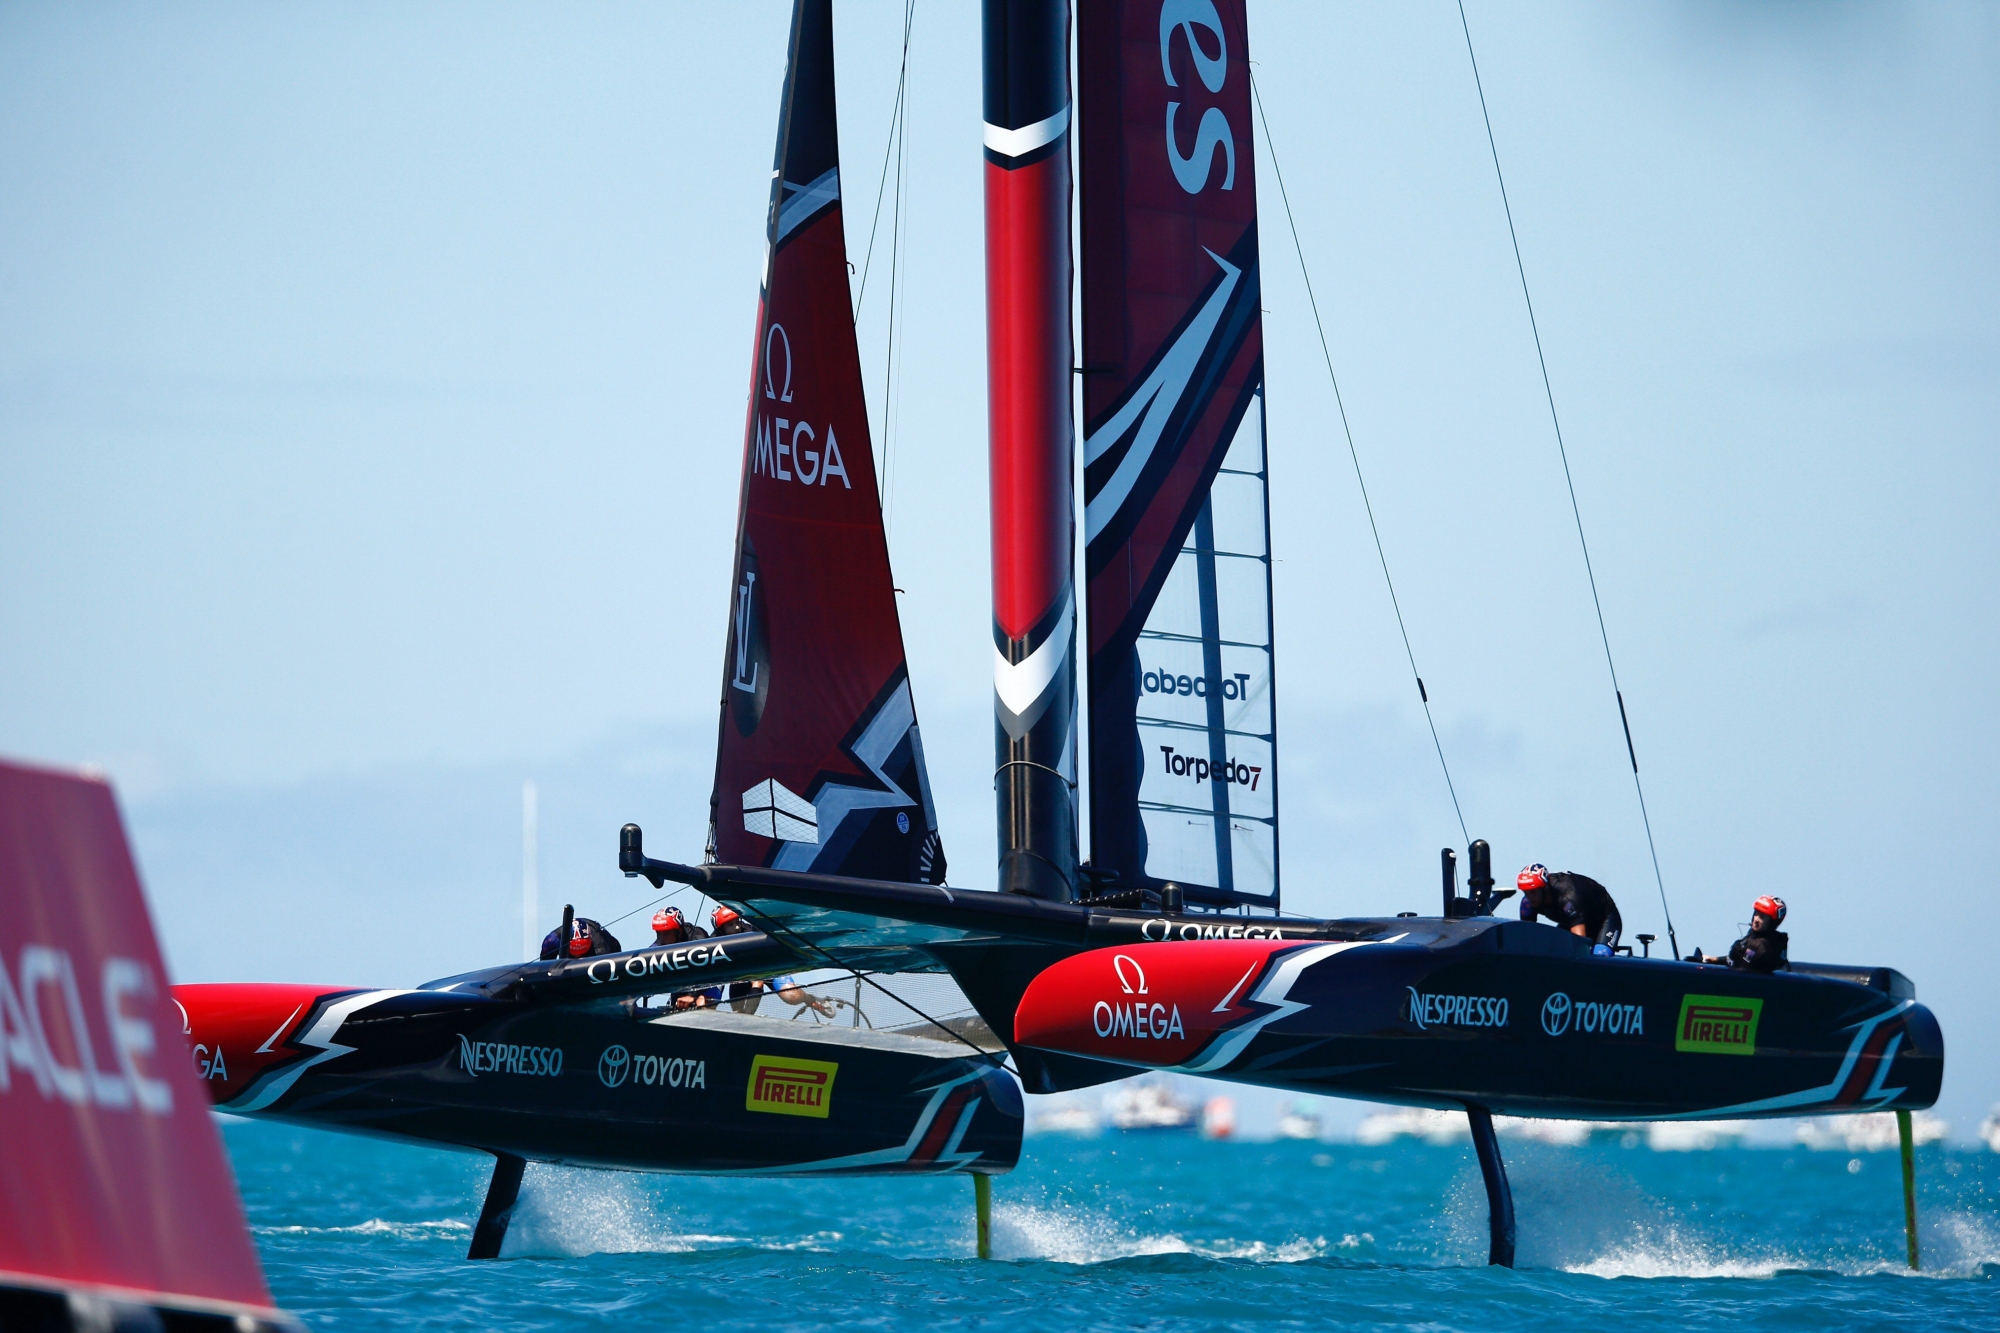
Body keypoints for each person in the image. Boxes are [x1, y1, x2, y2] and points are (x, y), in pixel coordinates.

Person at [1517, 864, 1623, 956]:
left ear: (1545, 888)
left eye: (1533, 892)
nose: (1530, 898)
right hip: (1572, 919)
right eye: (1526, 892)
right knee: (1555, 952)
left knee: (1600, 956)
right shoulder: (1527, 904)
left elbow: (1579, 943)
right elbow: (1527, 940)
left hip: (1604, 918)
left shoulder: (1568, 897)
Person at [1699, 895, 1789, 973]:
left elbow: (1742, 973)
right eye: (1756, 914)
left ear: (1772, 923)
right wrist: (1715, 959)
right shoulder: (1755, 934)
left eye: (1762, 917)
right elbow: (1737, 959)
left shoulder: (1758, 946)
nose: (1756, 919)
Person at [539, 916, 622, 960]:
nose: (579, 956)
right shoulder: (552, 940)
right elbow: (543, 967)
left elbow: (606, 963)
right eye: (576, 951)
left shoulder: (598, 939)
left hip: (597, 952)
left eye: (581, 951)